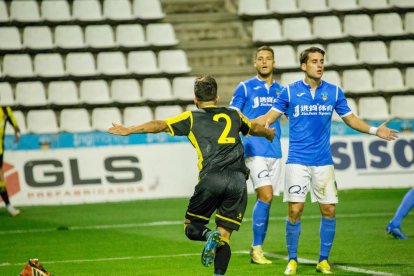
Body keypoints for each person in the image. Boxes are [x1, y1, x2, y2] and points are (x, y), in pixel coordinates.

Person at [108, 75, 275, 275]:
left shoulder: (191, 117)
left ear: (196, 99)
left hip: (211, 178)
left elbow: (159, 124)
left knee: (191, 226)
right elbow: (255, 128)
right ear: (217, 97)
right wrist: (268, 134)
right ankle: (218, 273)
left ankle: (207, 234)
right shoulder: (234, 115)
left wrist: (130, 129)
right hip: (238, 181)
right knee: (225, 237)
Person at [254, 47, 398, 275]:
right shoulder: (289, 93)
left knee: (329, 210)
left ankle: (323, 260)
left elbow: (350, 120)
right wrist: (243, 125)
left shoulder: (333, 92)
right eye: (314, 61)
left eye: (321, 61)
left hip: (323, 161)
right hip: (297, 162)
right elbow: (268, 119)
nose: (319, 65)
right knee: (295, 211)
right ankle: (292, 260)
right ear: (303, 66)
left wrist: (374, 130)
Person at [229, 46, 283, 265]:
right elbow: (233, 112)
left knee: (266, 201)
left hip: (275, 150)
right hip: (253, 149)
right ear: (254, 63)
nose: (264, 62)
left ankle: (257, 247)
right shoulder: (245, 87)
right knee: (266, 195)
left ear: (273, 63)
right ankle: (256, 249)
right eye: (260, 59)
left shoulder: (282, 91)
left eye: (268, 59)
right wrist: (251, 125)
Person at [0, 106, 21, 216]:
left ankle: (9, 206)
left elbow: (14, 124)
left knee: (0, 179)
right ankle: (9, 206)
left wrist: (17, 133)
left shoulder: (5, 111)